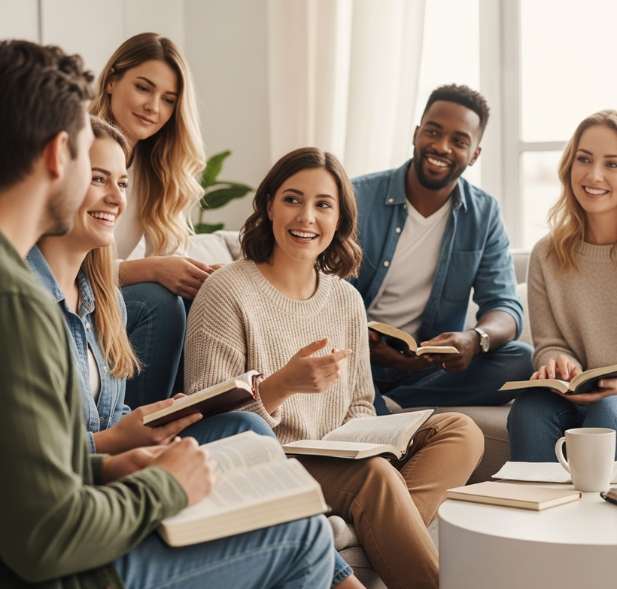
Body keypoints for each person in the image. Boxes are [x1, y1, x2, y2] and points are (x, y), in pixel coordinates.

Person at [0, 39, 334, 589]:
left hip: (62, 522)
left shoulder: (64, 298)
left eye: (122, 181)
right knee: (304, 538)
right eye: (91, 163)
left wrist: (105, 466)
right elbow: (48, 539)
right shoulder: (21, 304)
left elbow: (21, 467)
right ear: (60, 156)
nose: (110, 193)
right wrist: (163, 485)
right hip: (57, 570)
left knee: (251, 448)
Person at [185, 147, 485, 589]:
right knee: (375, 478)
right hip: (272, 462)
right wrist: (283, 386)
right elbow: (214, 423)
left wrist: (364, 441)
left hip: (338, 456)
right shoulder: (227, 291)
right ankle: (389, 537)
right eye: (292, 199)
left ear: (339, 219)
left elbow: (361, 402)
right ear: (269, 205)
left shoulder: (345, 299)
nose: (306, 216)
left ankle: (369, 523)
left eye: (323, 204)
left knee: (461, 431)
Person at [28, 116, 274, 455]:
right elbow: (26, 454)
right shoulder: (21, 300)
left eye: (123, 183)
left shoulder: (103, 298)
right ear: (57, 182)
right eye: (99, 179)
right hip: (72, 483)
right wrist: (116, 441)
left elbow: (110, 417)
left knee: (248, 428)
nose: (117, 199)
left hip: (116, 461)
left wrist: (156, 418)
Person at [351, 84, 533, 414]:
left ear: (475, 154)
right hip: (356, 358)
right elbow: (323, 290)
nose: (441, 146)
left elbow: (505, 306)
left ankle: (388, 406)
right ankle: (371, 401)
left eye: (459, 141)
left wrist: (475, 339)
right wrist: (358, 337)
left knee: (521, 359)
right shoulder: (357, 197)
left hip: (432, 369)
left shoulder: (484, 213)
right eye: (433, 132)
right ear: (416, 134)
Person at [91, 32, 213, 407]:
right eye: (143, 88)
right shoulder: (77, 148)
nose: (153, 107)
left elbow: (169, 263)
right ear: (112, 80)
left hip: (111, 305)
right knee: (157, 299)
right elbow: (52, 267)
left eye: (169, 100)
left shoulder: (160, 171)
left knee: (205, 298)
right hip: (73, 305)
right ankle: (148, 432)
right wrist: (150, 270)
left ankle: (202, 415)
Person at [508, 110, 617, 461]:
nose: (594, 175)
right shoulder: (548, 254)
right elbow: (550, 342)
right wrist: (557, 361)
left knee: (606, 417)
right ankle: (537, 513)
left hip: (612, 402)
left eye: (612, 164)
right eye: (584, 159)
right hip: (571, 394)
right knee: (529, 412)